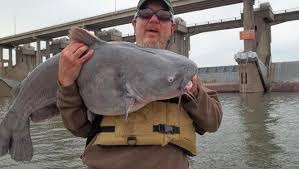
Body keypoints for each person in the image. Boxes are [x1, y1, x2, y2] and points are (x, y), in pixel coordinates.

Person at [57, 0, 223, 169]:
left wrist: (194, 92)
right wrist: (66, 84)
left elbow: (213, 122)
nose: (153, 20)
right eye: (145, 13)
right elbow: (77, 127)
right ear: (134, 24)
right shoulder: (99, 66)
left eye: (163, 16)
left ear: (172, 28)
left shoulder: (185, 74)